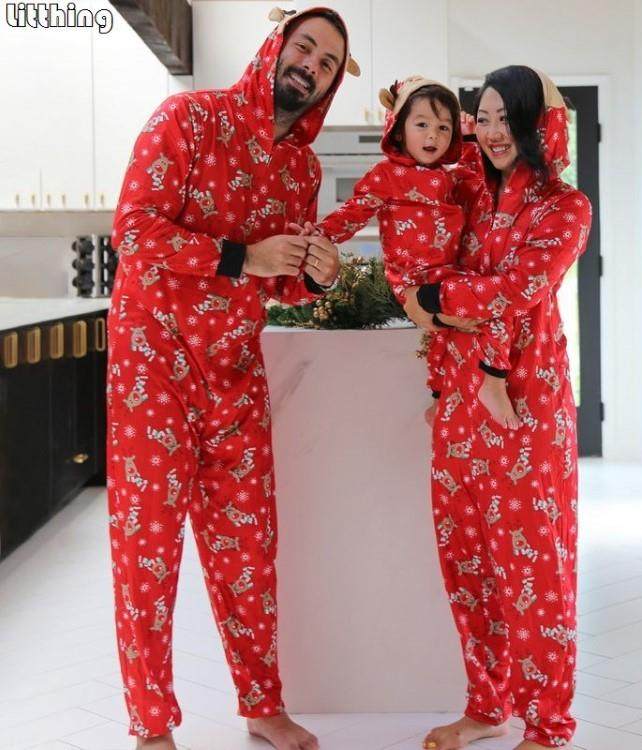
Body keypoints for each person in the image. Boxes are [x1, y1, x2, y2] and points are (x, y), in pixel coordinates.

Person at [106, 7, 357, 749]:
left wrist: (316, 275)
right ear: (275, 47)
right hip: (154, 366)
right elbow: (134, 229)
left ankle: (262, 705)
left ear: (332, 85)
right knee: (147, 550)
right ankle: (152, 726)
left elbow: (282, 282)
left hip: (236, 371)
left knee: (248, 549)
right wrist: (241, 256)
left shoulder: (303, 169)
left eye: (328, 62)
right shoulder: (187, 118)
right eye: (304, 46)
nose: (312, 65)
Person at [403, 66, 592, 750]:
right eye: (482, 117)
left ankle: (547, 725)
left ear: (540, 123)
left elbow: (516, 290)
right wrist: (440, 383)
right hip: (457, 407)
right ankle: (488, 707)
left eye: (508, 117)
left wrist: (440, 299)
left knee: (535, 570)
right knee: (469, 566)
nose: (493, 131)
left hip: (524, 406)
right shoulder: (470, 196)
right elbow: (423, 261)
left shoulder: (565, 208)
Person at [303, 76, 519, 427]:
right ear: (399, 130)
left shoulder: (450, 178)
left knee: (447, 333)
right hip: (412, 279)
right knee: (494, 307)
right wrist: (321, 234)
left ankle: (437, 398)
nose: (433, 135)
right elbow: (354, 212)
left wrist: (468, 138)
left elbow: (478, 178)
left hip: (445, 275)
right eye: (422, 125)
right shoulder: (387, 175)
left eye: (443, 127)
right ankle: (493, 381)